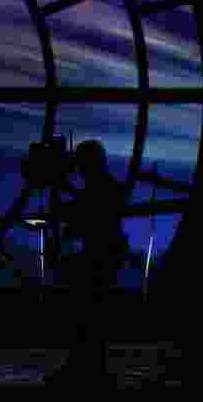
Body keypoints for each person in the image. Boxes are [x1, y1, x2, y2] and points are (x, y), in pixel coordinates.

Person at [45, 139, 133, 388]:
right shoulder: (107, 187)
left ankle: (84, 367)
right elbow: (84, 210)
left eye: (81, 163)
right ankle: (90, 367)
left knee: (85, 313)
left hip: (99, 258)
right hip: (106, 257)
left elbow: (80, 213)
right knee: (91, 316)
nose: (79, 169)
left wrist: (59, 191)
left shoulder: (100, 189)